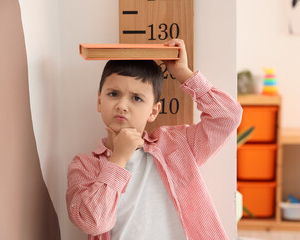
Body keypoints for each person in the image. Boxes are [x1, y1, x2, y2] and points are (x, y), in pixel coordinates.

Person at [66, 39, 243, 240]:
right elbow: (93, 223)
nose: (122, 105)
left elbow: (228, 116)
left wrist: (183, 73)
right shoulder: (84, 166)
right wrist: (119, 158)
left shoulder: (176, 145)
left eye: (136, 98)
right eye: (113, 94)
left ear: (154, 111)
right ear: (99, 100)